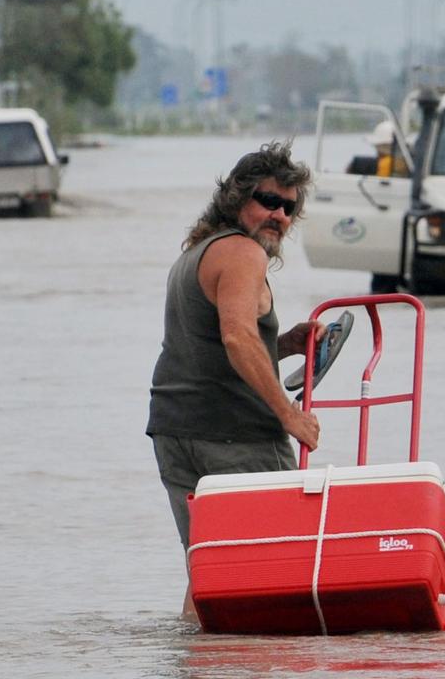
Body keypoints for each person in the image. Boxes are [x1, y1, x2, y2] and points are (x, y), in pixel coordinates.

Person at [146, 141, 326, 618]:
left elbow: (212, 341)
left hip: (175, 429)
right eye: (268, 201)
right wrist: (289, 414)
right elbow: (238, 338)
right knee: (278, 566)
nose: (280, 216)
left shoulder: (196, 254)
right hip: (235, 437)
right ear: (236, 198)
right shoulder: (245, 254)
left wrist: (284, 343)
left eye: (289, 207)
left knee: (207, 567)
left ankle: (197, 660)